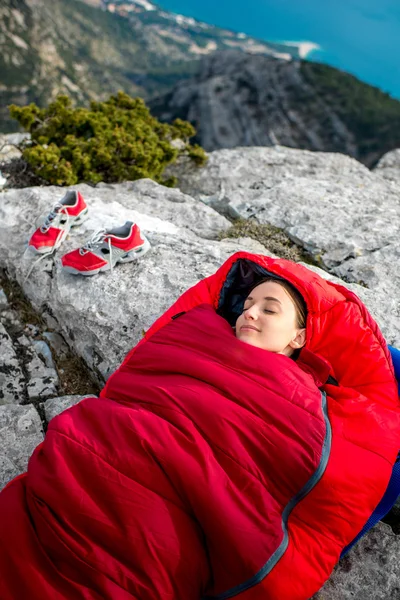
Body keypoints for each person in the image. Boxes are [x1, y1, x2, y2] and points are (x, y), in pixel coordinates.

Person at [0, 251, 399, 600]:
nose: (250, 311)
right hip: (88, 478)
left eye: (269, 308)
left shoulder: (310, 404)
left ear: (300, 337)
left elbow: (341, 468)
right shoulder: (195, 338)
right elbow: (130, 395)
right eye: (247, 303)